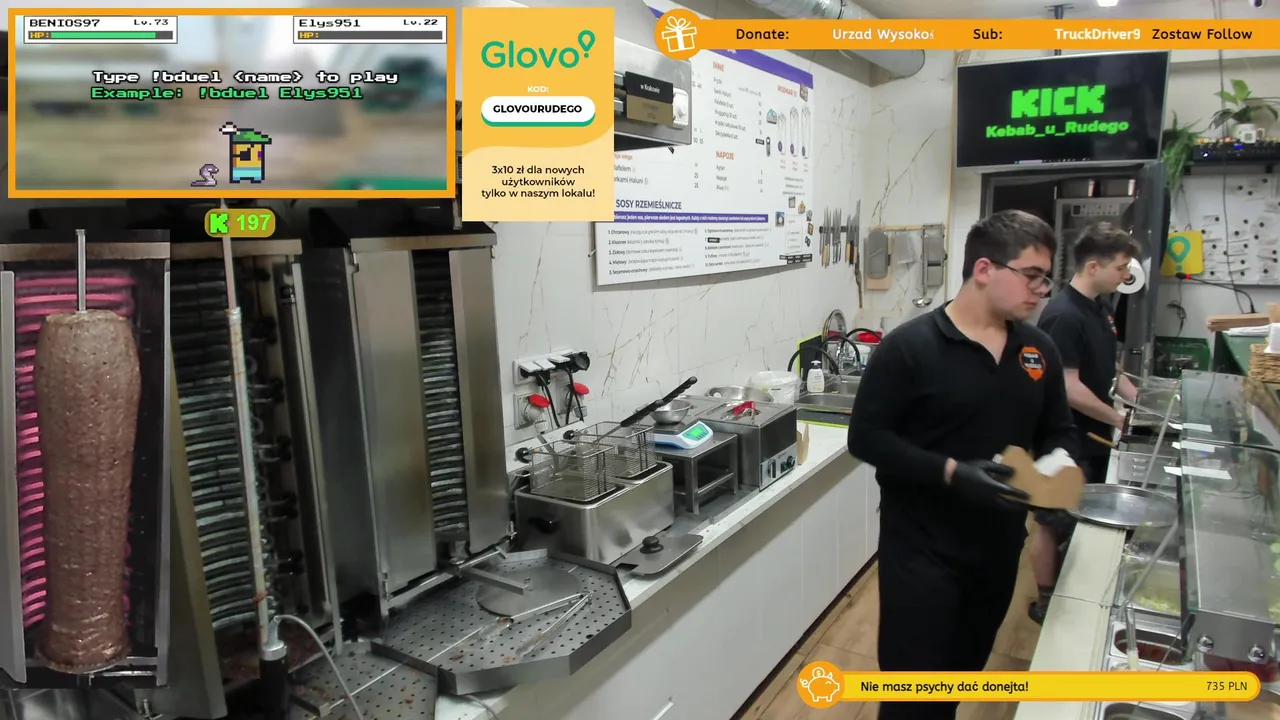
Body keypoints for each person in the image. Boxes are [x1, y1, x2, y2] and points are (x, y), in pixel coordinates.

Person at [847, 209, 1078, 720]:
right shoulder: (910, 347)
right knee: (913, 698)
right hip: (922, 552)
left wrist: (1056, 473)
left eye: (1047, 278)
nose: (1042, 290)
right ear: (984, 269)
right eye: (1032, 275)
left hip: (998, 550)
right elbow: (866, 439)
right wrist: (952, 472)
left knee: (958, 677)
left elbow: (1058, 430)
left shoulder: (1038, 350)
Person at [1027, 223, 1140, 624]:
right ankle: (1045, 600)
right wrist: (1118, 418)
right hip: (1065, 440)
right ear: (1094, 266)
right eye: (1121, 267)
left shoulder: (1100, 308)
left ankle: (1072, 593)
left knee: (1077, 521)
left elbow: (1110, 370)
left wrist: (1140, 404)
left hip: (1095, 437)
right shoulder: (1063, 315)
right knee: (1050, 521)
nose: (1125, 275)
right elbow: (1068, 387)